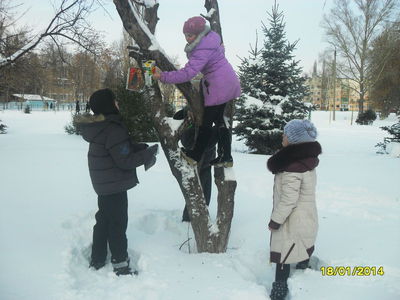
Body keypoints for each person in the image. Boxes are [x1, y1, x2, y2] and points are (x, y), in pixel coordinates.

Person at [78, 88, 158, 276]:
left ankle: (97, 258)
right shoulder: (113, 128)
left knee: (104, 220)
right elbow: (125, 160)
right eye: (115, 101)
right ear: (109, 105)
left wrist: (137, 147)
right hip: (114, 185)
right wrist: (148, 153)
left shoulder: (101, 126)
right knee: (117, 223)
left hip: (104, 183)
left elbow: (118, 149)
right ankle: (120, 263)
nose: (118, 103)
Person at [153, 16, 240, 168]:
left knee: (206, 123)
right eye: (185, 35)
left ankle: (195, 155)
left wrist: (163, 76)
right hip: (228, 80)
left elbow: (188, 73)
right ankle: (226, 156)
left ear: (199, 33)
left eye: (190, 35)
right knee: (220, 120)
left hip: (218, 85)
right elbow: (219, 52)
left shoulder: (202, 48)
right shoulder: (211, 40)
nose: (187, 38)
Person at [266, 119, 321, 300]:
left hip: (292, 219)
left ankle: (279, 287)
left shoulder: (293, 167)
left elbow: (289, 199)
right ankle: (303, 270)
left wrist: (276, 220)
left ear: (294, 140)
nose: (283, 136)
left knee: (284, 250)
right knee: (301, 244)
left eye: (286, 134)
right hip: (306, 216)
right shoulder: (306, 161)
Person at [173, 107, 218, 222]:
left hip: (207, 163)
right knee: (196, 194)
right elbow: (192, 143)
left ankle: (201, 217)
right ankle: (188, 220)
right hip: (196, 165)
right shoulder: (190, 128)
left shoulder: (204, 121)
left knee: (205, 194)